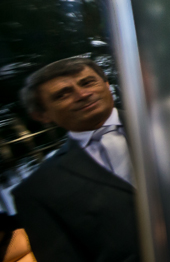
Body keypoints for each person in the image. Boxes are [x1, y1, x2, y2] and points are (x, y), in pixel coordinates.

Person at [12, 57, 139, 262]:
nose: (82, 94)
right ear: (42, 115)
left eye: (88, 82)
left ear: (107, 84)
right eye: (63, 94)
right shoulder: (37, 191)